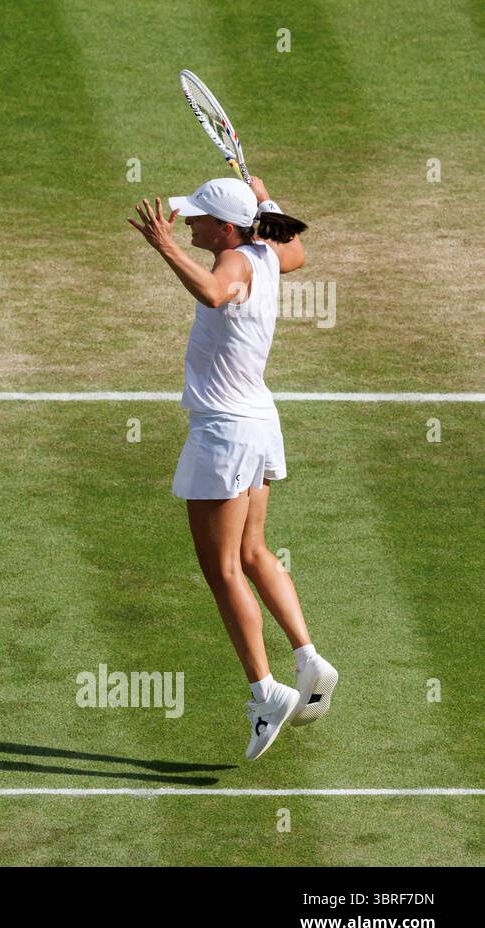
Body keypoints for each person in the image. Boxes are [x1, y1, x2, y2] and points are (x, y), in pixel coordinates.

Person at [127, 177, 338, 760]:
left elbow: (215, 295)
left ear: (225, 227)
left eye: (196, 219)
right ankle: (308, 658)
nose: (187, 225)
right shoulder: (266, 252)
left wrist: (165, 249)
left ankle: (266, 692)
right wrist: (266, 201)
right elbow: (297, 247)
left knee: (222, 568)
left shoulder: (235, 268)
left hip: (224, 432)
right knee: (251, 551)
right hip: (256, 422)